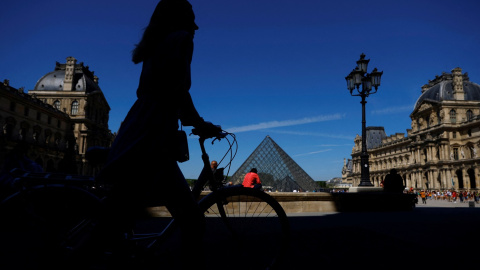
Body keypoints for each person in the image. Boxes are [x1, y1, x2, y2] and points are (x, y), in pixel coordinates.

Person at [93, 0, 219, 267]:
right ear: (180, 19)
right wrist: (200, 123)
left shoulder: (154, 46)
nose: (196, 26)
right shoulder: (181, 39)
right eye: (191, 19)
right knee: (193, 221)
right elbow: (177, 89)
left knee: (117, 215)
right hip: (153, 135)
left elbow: (163, 89)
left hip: (138, 126)